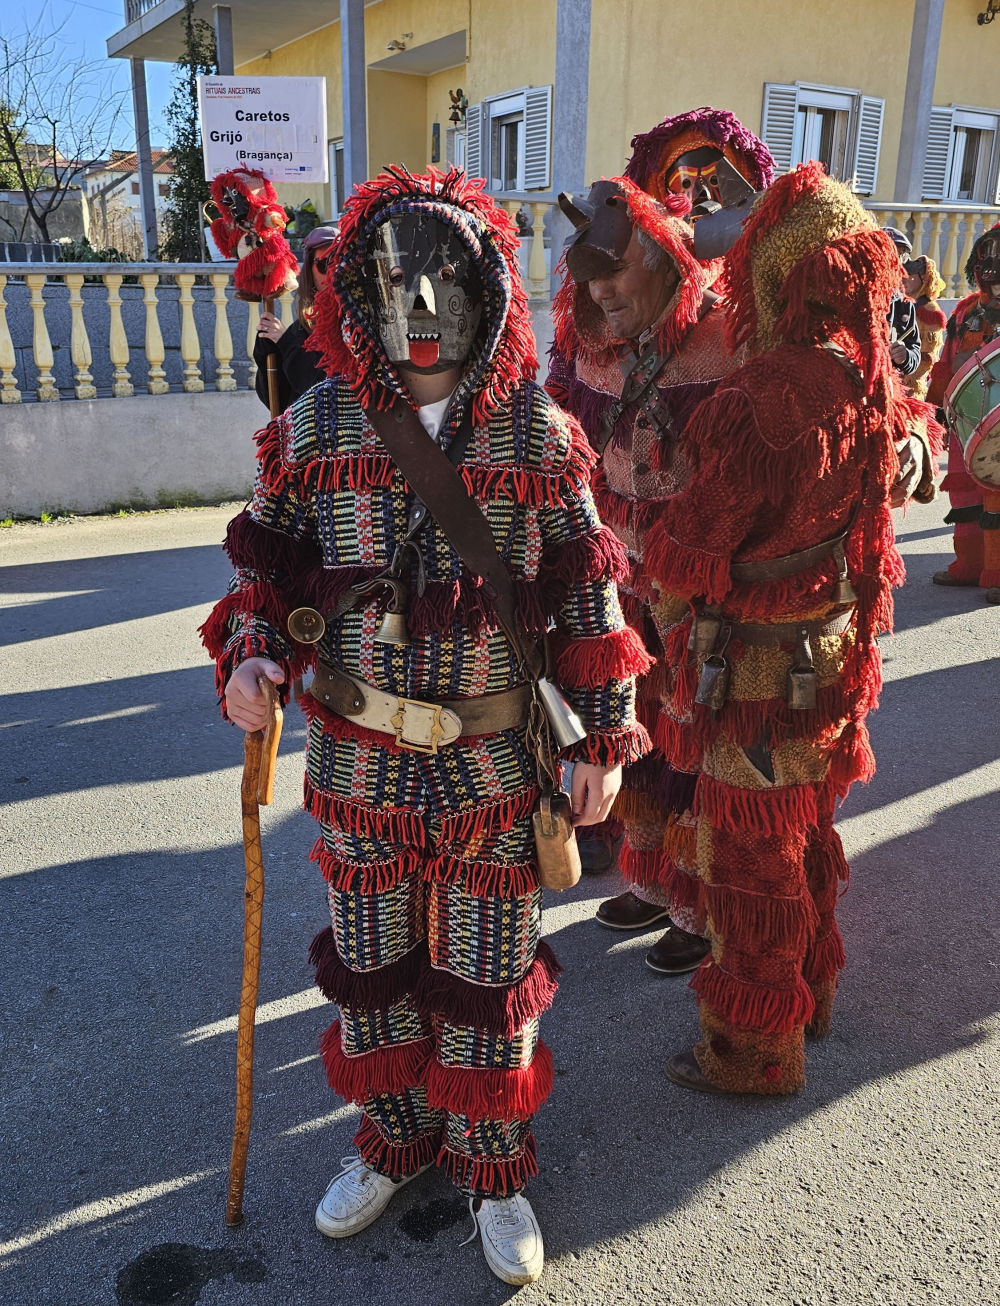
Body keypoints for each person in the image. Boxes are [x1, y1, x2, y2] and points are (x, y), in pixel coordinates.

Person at [200, 167, 649, 1286]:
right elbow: (263, 572)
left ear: (487, 291)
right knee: (372, 970)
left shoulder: (540, 435)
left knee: (488, 984)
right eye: (399, 289)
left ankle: (493, 1168)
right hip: (356, 761)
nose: (424, 315)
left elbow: (591, 597)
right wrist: (251, 653)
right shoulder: (311, 425)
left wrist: (600, 737)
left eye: (447, 285)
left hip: (495, 764)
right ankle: (395, 1143)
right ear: (362, 295)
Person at [643, 162, 941, 1096]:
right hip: (838, 659)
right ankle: (812, 993)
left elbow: (690, 552)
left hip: (754, 675)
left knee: (748, 859)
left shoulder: (753, 398)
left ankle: (753, 1051)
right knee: (805, 834)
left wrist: (650, 571)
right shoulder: (876, 384)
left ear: (776, 271)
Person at [546, 107, 774, 977]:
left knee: (698, 741)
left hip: (709, 587)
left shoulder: (732, 337)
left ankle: (700, 899)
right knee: (632, 731)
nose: (603, 294)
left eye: (619, 275)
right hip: (617, 580)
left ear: (669, 263)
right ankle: (648, 877)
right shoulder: (583, 350)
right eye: (591, 279)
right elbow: (553, 441)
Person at [927, 222, 1000, 598]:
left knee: (997, 497)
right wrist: (933, 406)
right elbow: (945, 361)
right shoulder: (966, 311)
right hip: (964, 419)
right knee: (964, 495)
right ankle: (968, 564)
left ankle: (997, 572)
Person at [253, 224, 337, 413]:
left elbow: (330, 391)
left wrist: (288, 345)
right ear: (309, 271)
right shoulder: (300, 330)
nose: (332, 273)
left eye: (338, 263)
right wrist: (267, 354)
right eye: (324, 265)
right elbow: (279, 401)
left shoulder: (359, 328)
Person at [900, 254, 947, 400]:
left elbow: (926, 358)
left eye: (910, 274)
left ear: (923, 279)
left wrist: (906, 384)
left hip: (909, 388)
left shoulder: (929, 312)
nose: (904, 278)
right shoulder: (900, 304)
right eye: (902, 273)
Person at [882, 227, 922, 378]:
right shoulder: (851, 298)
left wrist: (905, 356)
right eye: (890, 255)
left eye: (901, 257)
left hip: (888, 383)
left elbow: (915, 350)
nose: (896, 263)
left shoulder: (904, 305)